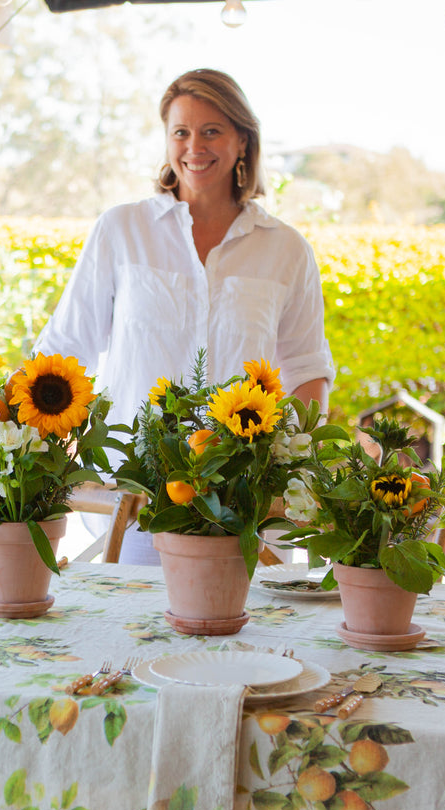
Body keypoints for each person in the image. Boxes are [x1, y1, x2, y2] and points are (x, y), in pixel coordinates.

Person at [34, 68, 335, 562]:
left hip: (247, 504)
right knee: (132, 633)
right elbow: (65, 348)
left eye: (212, 131)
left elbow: (306, 371)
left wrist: (290, 470)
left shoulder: (287, 250)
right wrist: (27, 460)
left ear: (242, 140)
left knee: (249, 638)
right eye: (181, 132)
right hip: (136, 498)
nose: (195, 146)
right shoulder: (121, 230)